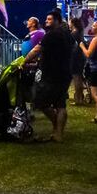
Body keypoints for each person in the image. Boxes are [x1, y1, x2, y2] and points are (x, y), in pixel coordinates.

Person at [26, 10, 74, 142]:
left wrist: (24, 61)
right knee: (60, 104)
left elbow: (36, 50)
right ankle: (58, 133)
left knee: (40, 102)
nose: (46, 21)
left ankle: (56, 126)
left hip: (52, 75)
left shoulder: (51, 35)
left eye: (49, 19)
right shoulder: (67, 35)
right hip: (65, 73)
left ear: (57, 21)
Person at [69, 20, 89, 106]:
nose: (68, 24)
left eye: (70, 22)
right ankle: (80, 97)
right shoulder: (80, 33)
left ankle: (78, 99)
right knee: (79, 78)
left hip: (75, 58)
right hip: (80, 58)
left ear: (73, 24)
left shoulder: (74, 34)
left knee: (76, 78)